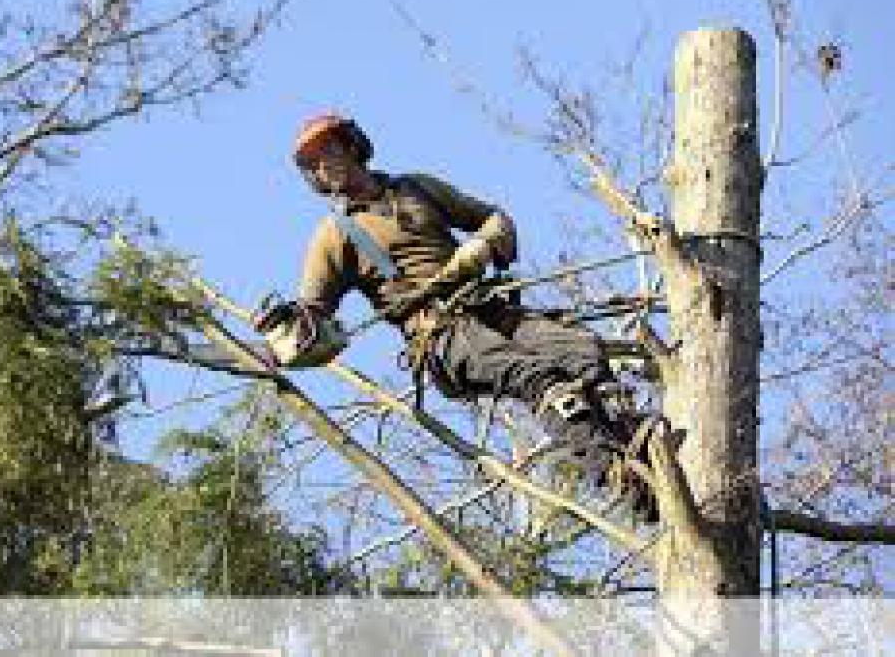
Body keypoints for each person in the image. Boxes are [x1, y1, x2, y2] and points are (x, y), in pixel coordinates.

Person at [256, 113, 657, 519]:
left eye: (330, 150)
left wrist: (483, 245)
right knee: (537, 378)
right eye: (315, 162)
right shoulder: (335, 235)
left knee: (581, 351)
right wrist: (277, 343)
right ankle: (621, 478)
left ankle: (642, 448)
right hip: (441, 335)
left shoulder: (416, 188)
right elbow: (312, 314)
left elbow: (492, 217)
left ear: (352, 145)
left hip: (490, 307)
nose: (326, 165)